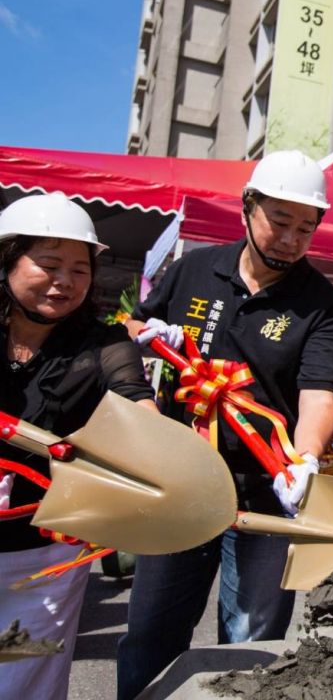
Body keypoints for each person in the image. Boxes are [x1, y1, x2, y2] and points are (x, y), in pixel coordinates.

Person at [117, 151, 333, 700]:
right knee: (150, 635)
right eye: (279, 221)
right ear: (247, 207)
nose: (290, 240)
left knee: (251, 644)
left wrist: (306, 458)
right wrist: (145, 334)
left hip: (263, 497)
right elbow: (130, 323)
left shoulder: (321, 303)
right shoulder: (195, 269)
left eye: (306, 228)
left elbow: (319, 394)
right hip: (179, 485)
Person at [0, 194, 156, 700]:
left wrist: (162, 454)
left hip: (45, 560)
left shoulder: (105, 344)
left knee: (23, 679)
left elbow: (136, 403)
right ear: (7, 262)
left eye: (79, 269)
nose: (64, 281)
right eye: (48, 265)